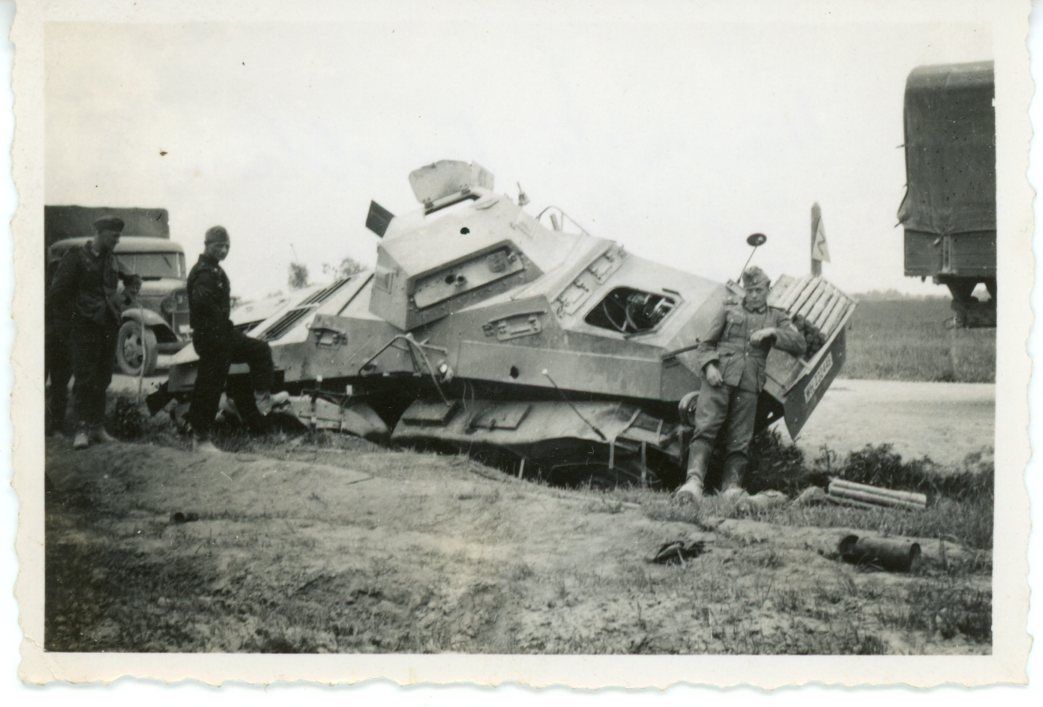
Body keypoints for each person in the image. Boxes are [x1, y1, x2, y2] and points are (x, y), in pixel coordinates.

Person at [675, 266, 806, 502]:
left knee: (740, 439)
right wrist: (710, 367)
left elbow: (799, 343)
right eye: (750, 290)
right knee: (705, 430)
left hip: (749, 385)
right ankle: (693, 483)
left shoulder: (777, 316)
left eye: (758, 290)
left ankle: (731, 488)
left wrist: (772, 332)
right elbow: (705, 345)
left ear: (768, 289)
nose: (753, 295)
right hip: (718, 380)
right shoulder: (728, 309)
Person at [48, 215, 142, 449]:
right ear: (99, 234)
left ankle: (97, 427)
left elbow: (134, 280)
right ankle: (81, 429)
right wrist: (73, 321)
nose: (117, 240)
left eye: (119, 235)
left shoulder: (112, 260)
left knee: (103, 377)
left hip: (108, 326)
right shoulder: (76, 257)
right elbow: (58, 293)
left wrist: (123, 299)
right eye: (114, 235)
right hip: (83, 328)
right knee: (85, 378)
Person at [186, 226, 280, 453]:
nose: (224, 250)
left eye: (227, 246)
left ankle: (262, 398)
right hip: (210, 337)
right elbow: (202, 307)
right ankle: (200, 439)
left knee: (259, 349)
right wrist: (220, 329)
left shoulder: (215, 271)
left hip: (223, 334)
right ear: (207, 245)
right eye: (219, 246)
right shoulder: (203, 273)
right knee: (209, 386)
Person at [45, 253, 75, 436]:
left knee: (60, 386)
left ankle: (56, 426)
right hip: (45, 343)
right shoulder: (42, 295)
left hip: (62, 343)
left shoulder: (71, 296)